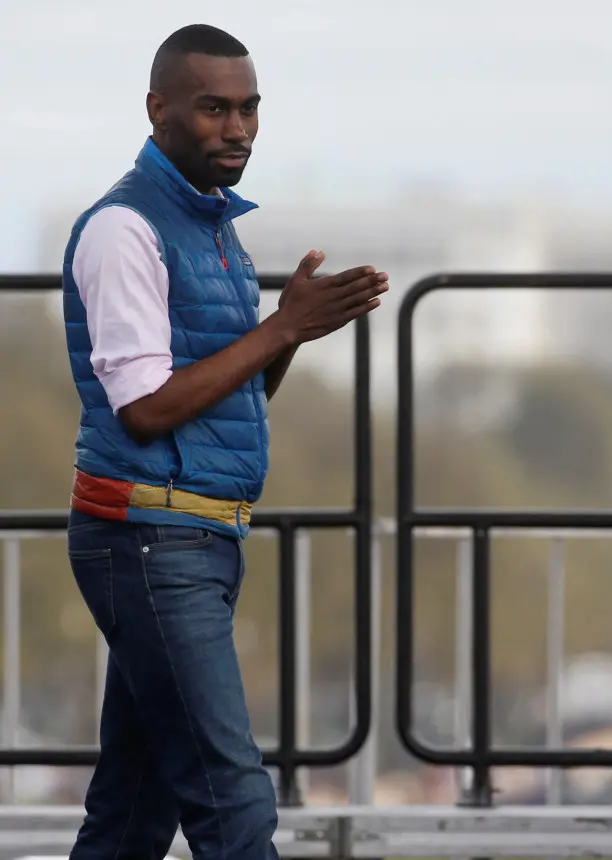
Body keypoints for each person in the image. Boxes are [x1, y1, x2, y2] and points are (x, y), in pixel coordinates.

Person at [60, 24, 388, 860]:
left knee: (131, 814)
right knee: (233, 801)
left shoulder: (216, 233)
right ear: (158, 110)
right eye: (213, 108)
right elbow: (143, 409)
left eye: (248, 109)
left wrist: (288, 336)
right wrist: (279, 325)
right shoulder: (123, 230)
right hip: (145, 537)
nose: (236, 128)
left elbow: (221, 399)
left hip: (196, 534)